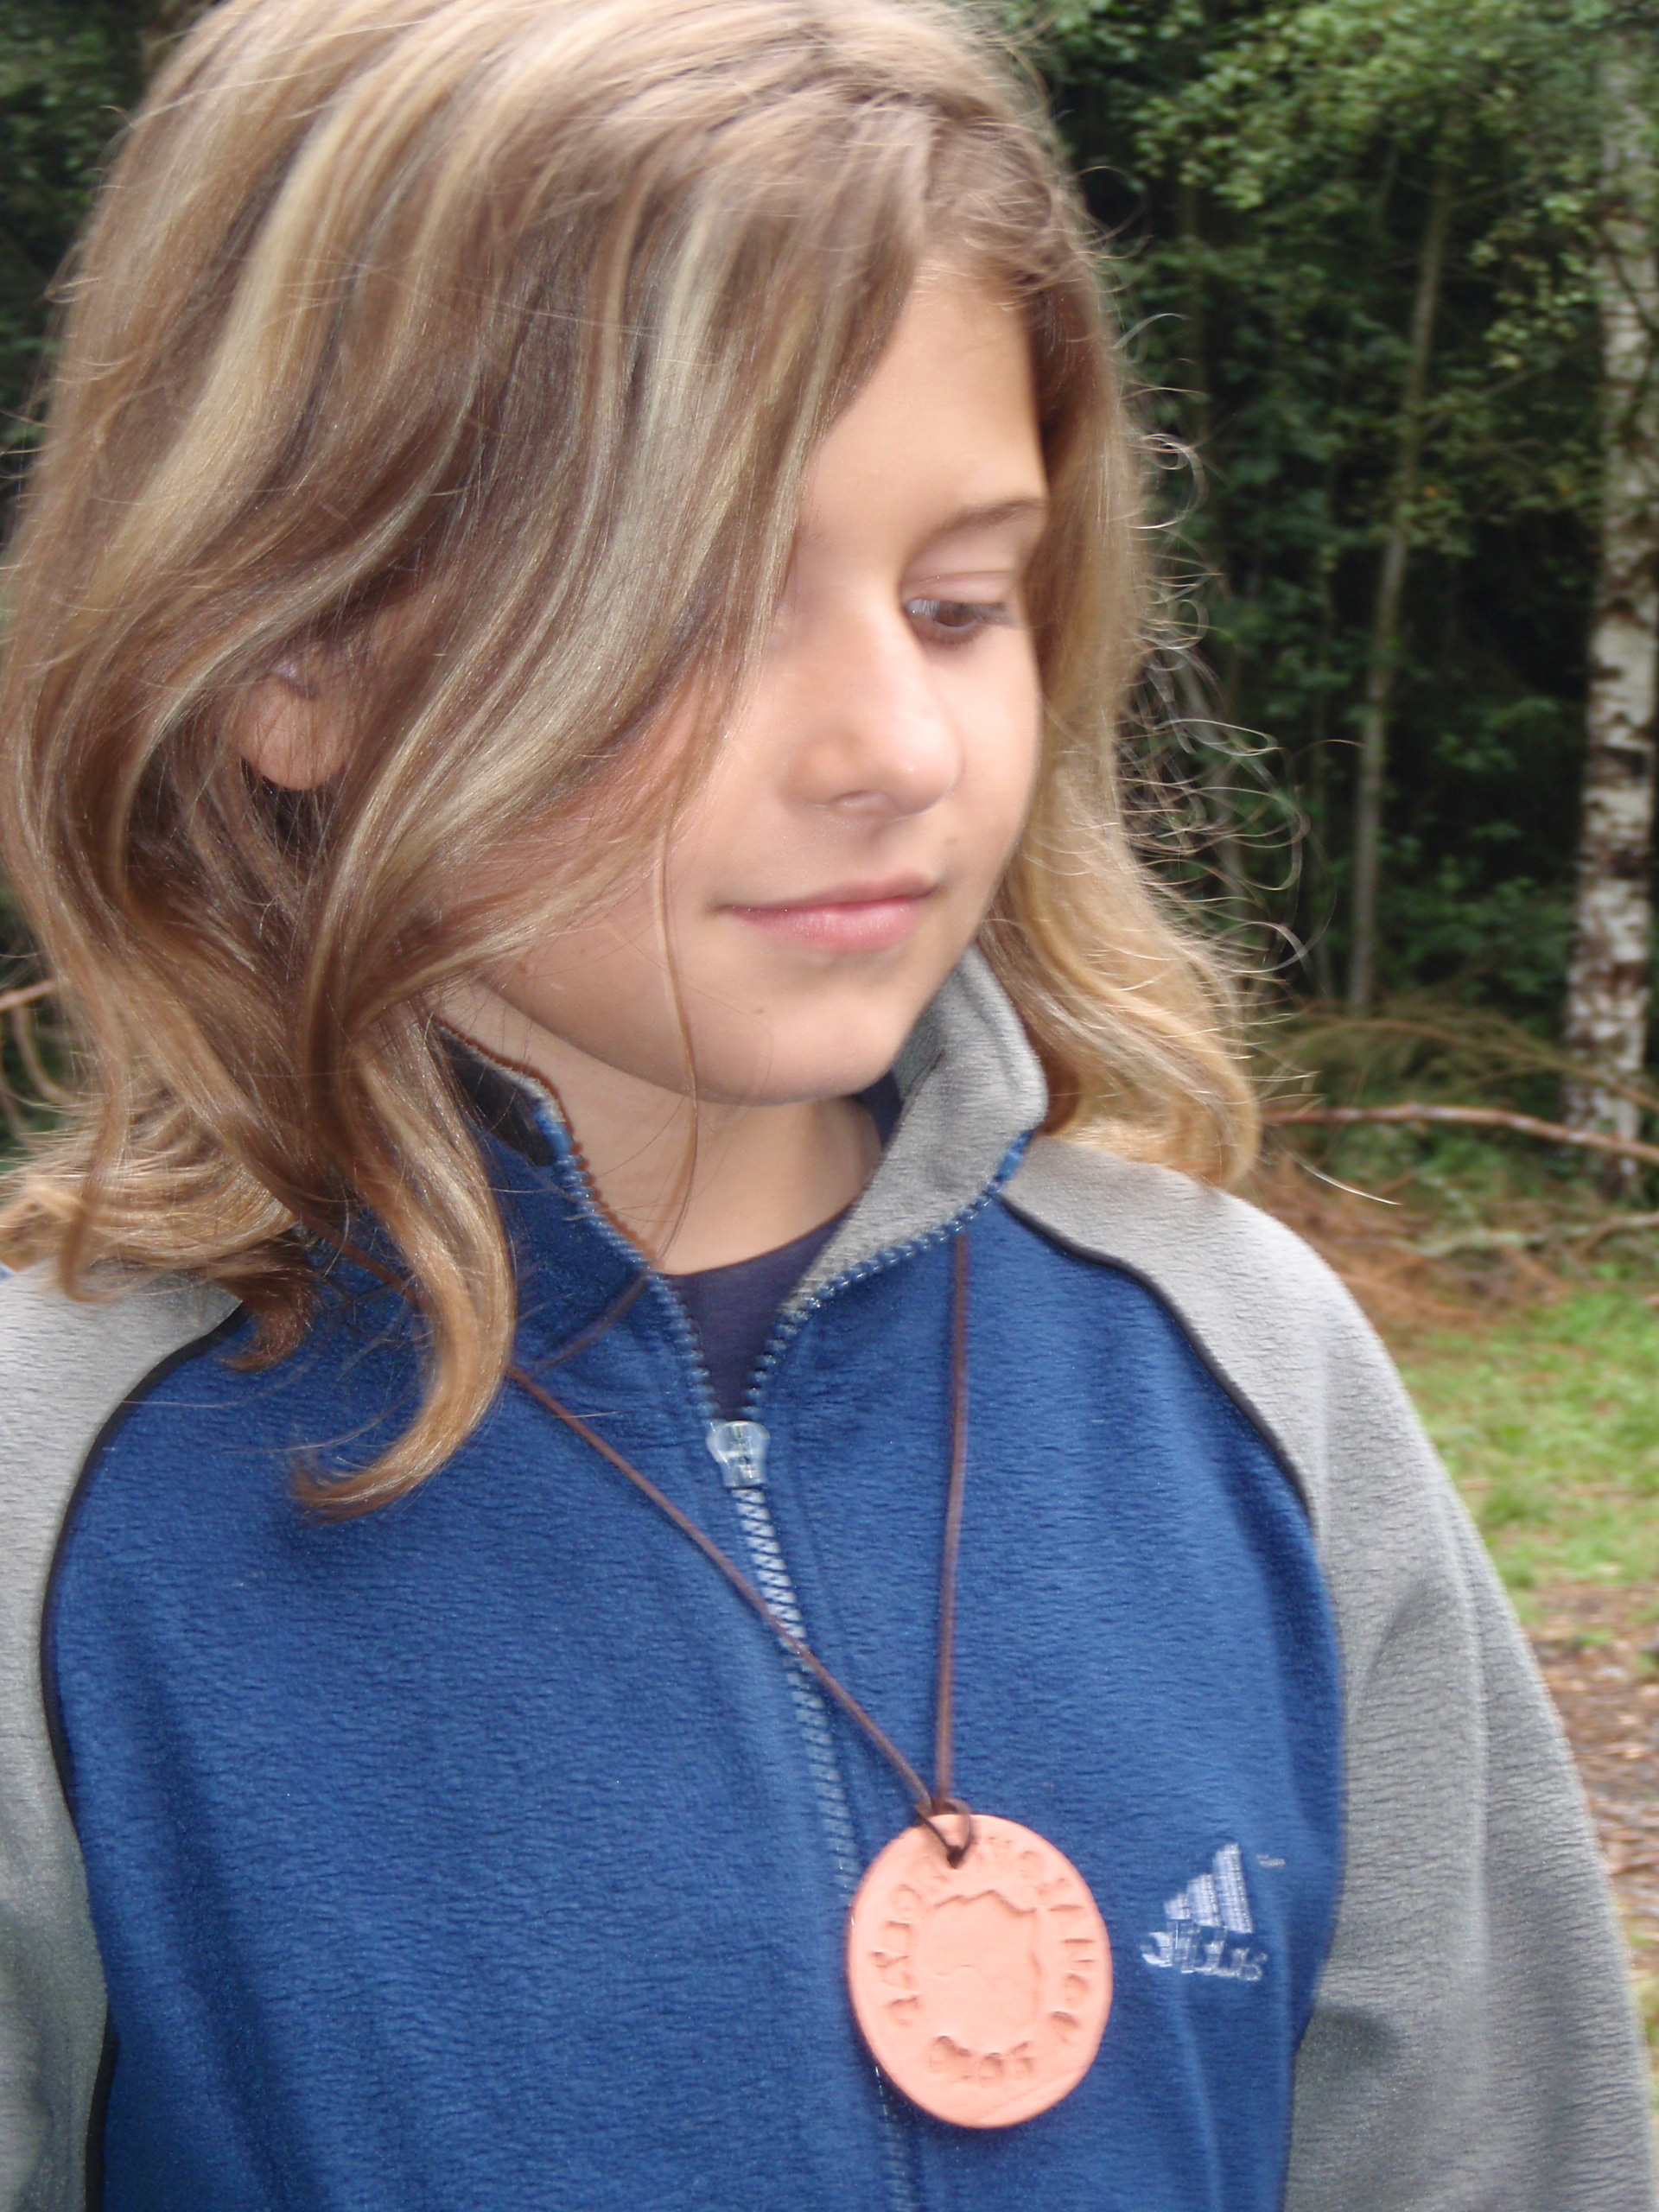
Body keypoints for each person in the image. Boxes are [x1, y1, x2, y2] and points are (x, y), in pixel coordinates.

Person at [0, 1, 1650, 2205]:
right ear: (287, 653)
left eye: (959, 601)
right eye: (703, 606)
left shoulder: (1249, 1373)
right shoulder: (50, 1497)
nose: (897, 744)